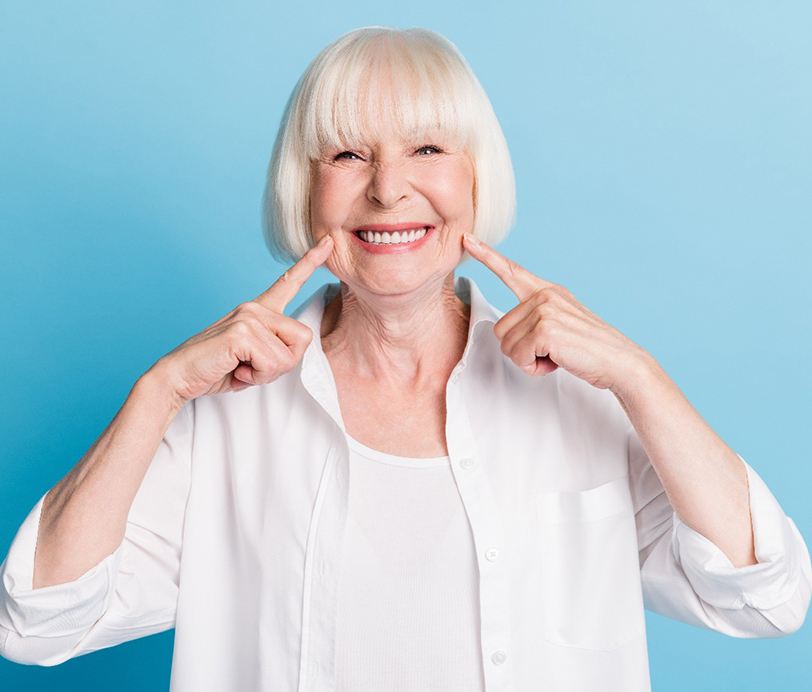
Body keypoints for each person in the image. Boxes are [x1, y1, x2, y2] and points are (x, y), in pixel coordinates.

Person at [1, 24, 810, 692]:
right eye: (348, 154)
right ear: (304, 187)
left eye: (427, 148)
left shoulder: (582, 401)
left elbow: (766, 598)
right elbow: (35, 623)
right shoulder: (218, 421)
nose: (389, 190)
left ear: (476, 180)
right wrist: (159, 388)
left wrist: (639, 376)